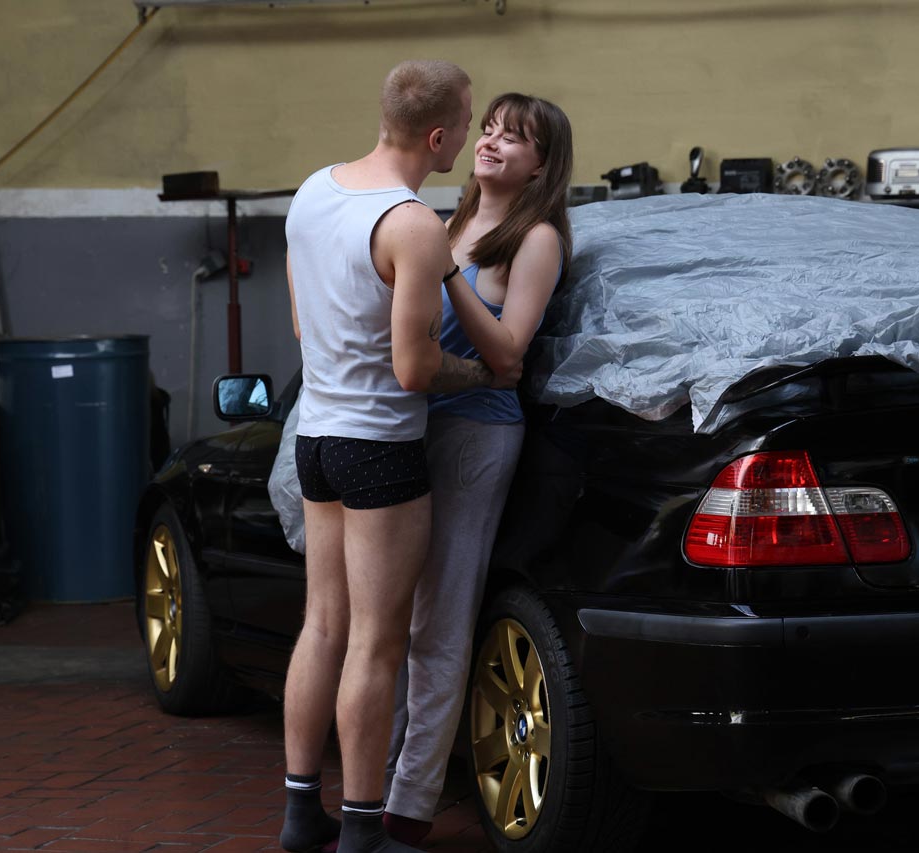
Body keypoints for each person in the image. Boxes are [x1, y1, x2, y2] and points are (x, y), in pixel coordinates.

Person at [280, 60, 517, 853]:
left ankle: (297, 809)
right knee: (379, 643)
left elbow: (305, 328)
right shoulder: (412, 224)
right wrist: (478, 371)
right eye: (473, 122)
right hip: (380, 449)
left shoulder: (314, 193)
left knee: (321, 626)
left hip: (316, 438)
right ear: (440, 136)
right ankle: (359, 831)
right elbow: (415, 369)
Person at [382, 92, 574, 842]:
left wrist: (442, 267)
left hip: (478, 437)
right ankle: (377, 788)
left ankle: (409, 808)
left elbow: (508, 354)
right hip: (411, 429)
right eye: (488, 128)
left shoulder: (538, 240)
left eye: (514, 138)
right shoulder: (451, 221)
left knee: (440, 620)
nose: (492, 142)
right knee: (391, 620)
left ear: (541, 164)